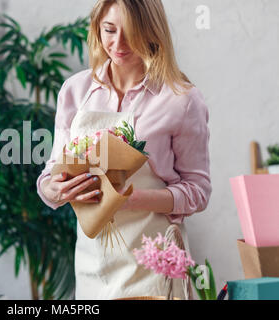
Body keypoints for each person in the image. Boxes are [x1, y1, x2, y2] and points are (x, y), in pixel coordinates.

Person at [36, 0, 211, 300]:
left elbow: (198, 191)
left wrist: (132, 200)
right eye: (109, 30)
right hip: (92, 266)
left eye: (131, 32)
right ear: (97, 29)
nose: (118, 44)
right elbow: (48, 177)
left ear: (151, 31)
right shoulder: (75, 91)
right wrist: (57, 190)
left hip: (153, 264)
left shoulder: (181, 99)